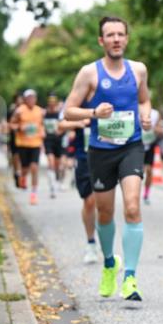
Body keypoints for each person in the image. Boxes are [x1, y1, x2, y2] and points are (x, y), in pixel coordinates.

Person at [63, 16, 152, 303]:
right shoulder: (89, 73)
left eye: (120, 34)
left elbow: (144, 99)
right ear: (101, 41)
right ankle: (109, 263)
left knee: (132, 206)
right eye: (110, 35)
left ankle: (130, 277)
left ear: (127, 38)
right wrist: (93, 113)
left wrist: (146, 115)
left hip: (131, 146)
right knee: (104, 212)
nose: (116, 39)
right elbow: (68, 110)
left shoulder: (138, 70)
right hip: (101, 150)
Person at [57, 105, 99, 264]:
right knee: (89, 202)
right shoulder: (79, 101)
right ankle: (91, 243)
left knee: (104, 204)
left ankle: (106, 245)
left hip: (106, 158)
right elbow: (60, 125)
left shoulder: (110, 97)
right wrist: (79, 122)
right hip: (84, 158)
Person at [10, 89, 45, 205]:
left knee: (34, 167)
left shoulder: (40, 111)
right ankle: (23, 176)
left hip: (36, 143)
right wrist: (20, 128)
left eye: (33, 97)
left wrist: (43, 132)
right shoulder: (19, 111)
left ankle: (33, 194)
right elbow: (12, 124)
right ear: (25, 99)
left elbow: (42, 125)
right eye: (29, 98)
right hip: (23, 143)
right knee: (25, 169)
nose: (31, 100)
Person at [42, 93, 65, 198]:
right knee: (51, 163)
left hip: (58, 141)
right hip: (48, 141)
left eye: (53, 101)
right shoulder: (44, 113)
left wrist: (60, 131)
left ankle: (57, 181)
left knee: (57, 165)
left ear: (55, 102)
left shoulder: (60, 114)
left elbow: (65, 125)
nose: (52, 103)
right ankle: (52, 187)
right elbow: (40, 125)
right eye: (50, 101)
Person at [141, 107, 163, 205]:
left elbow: (160, 129)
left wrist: (156, 129)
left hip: (150, 144)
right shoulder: (136, 109)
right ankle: (134, 193)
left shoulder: (156, 113)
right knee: (139, 172)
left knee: (149, 171)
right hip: (138, 145)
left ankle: (146, 194)